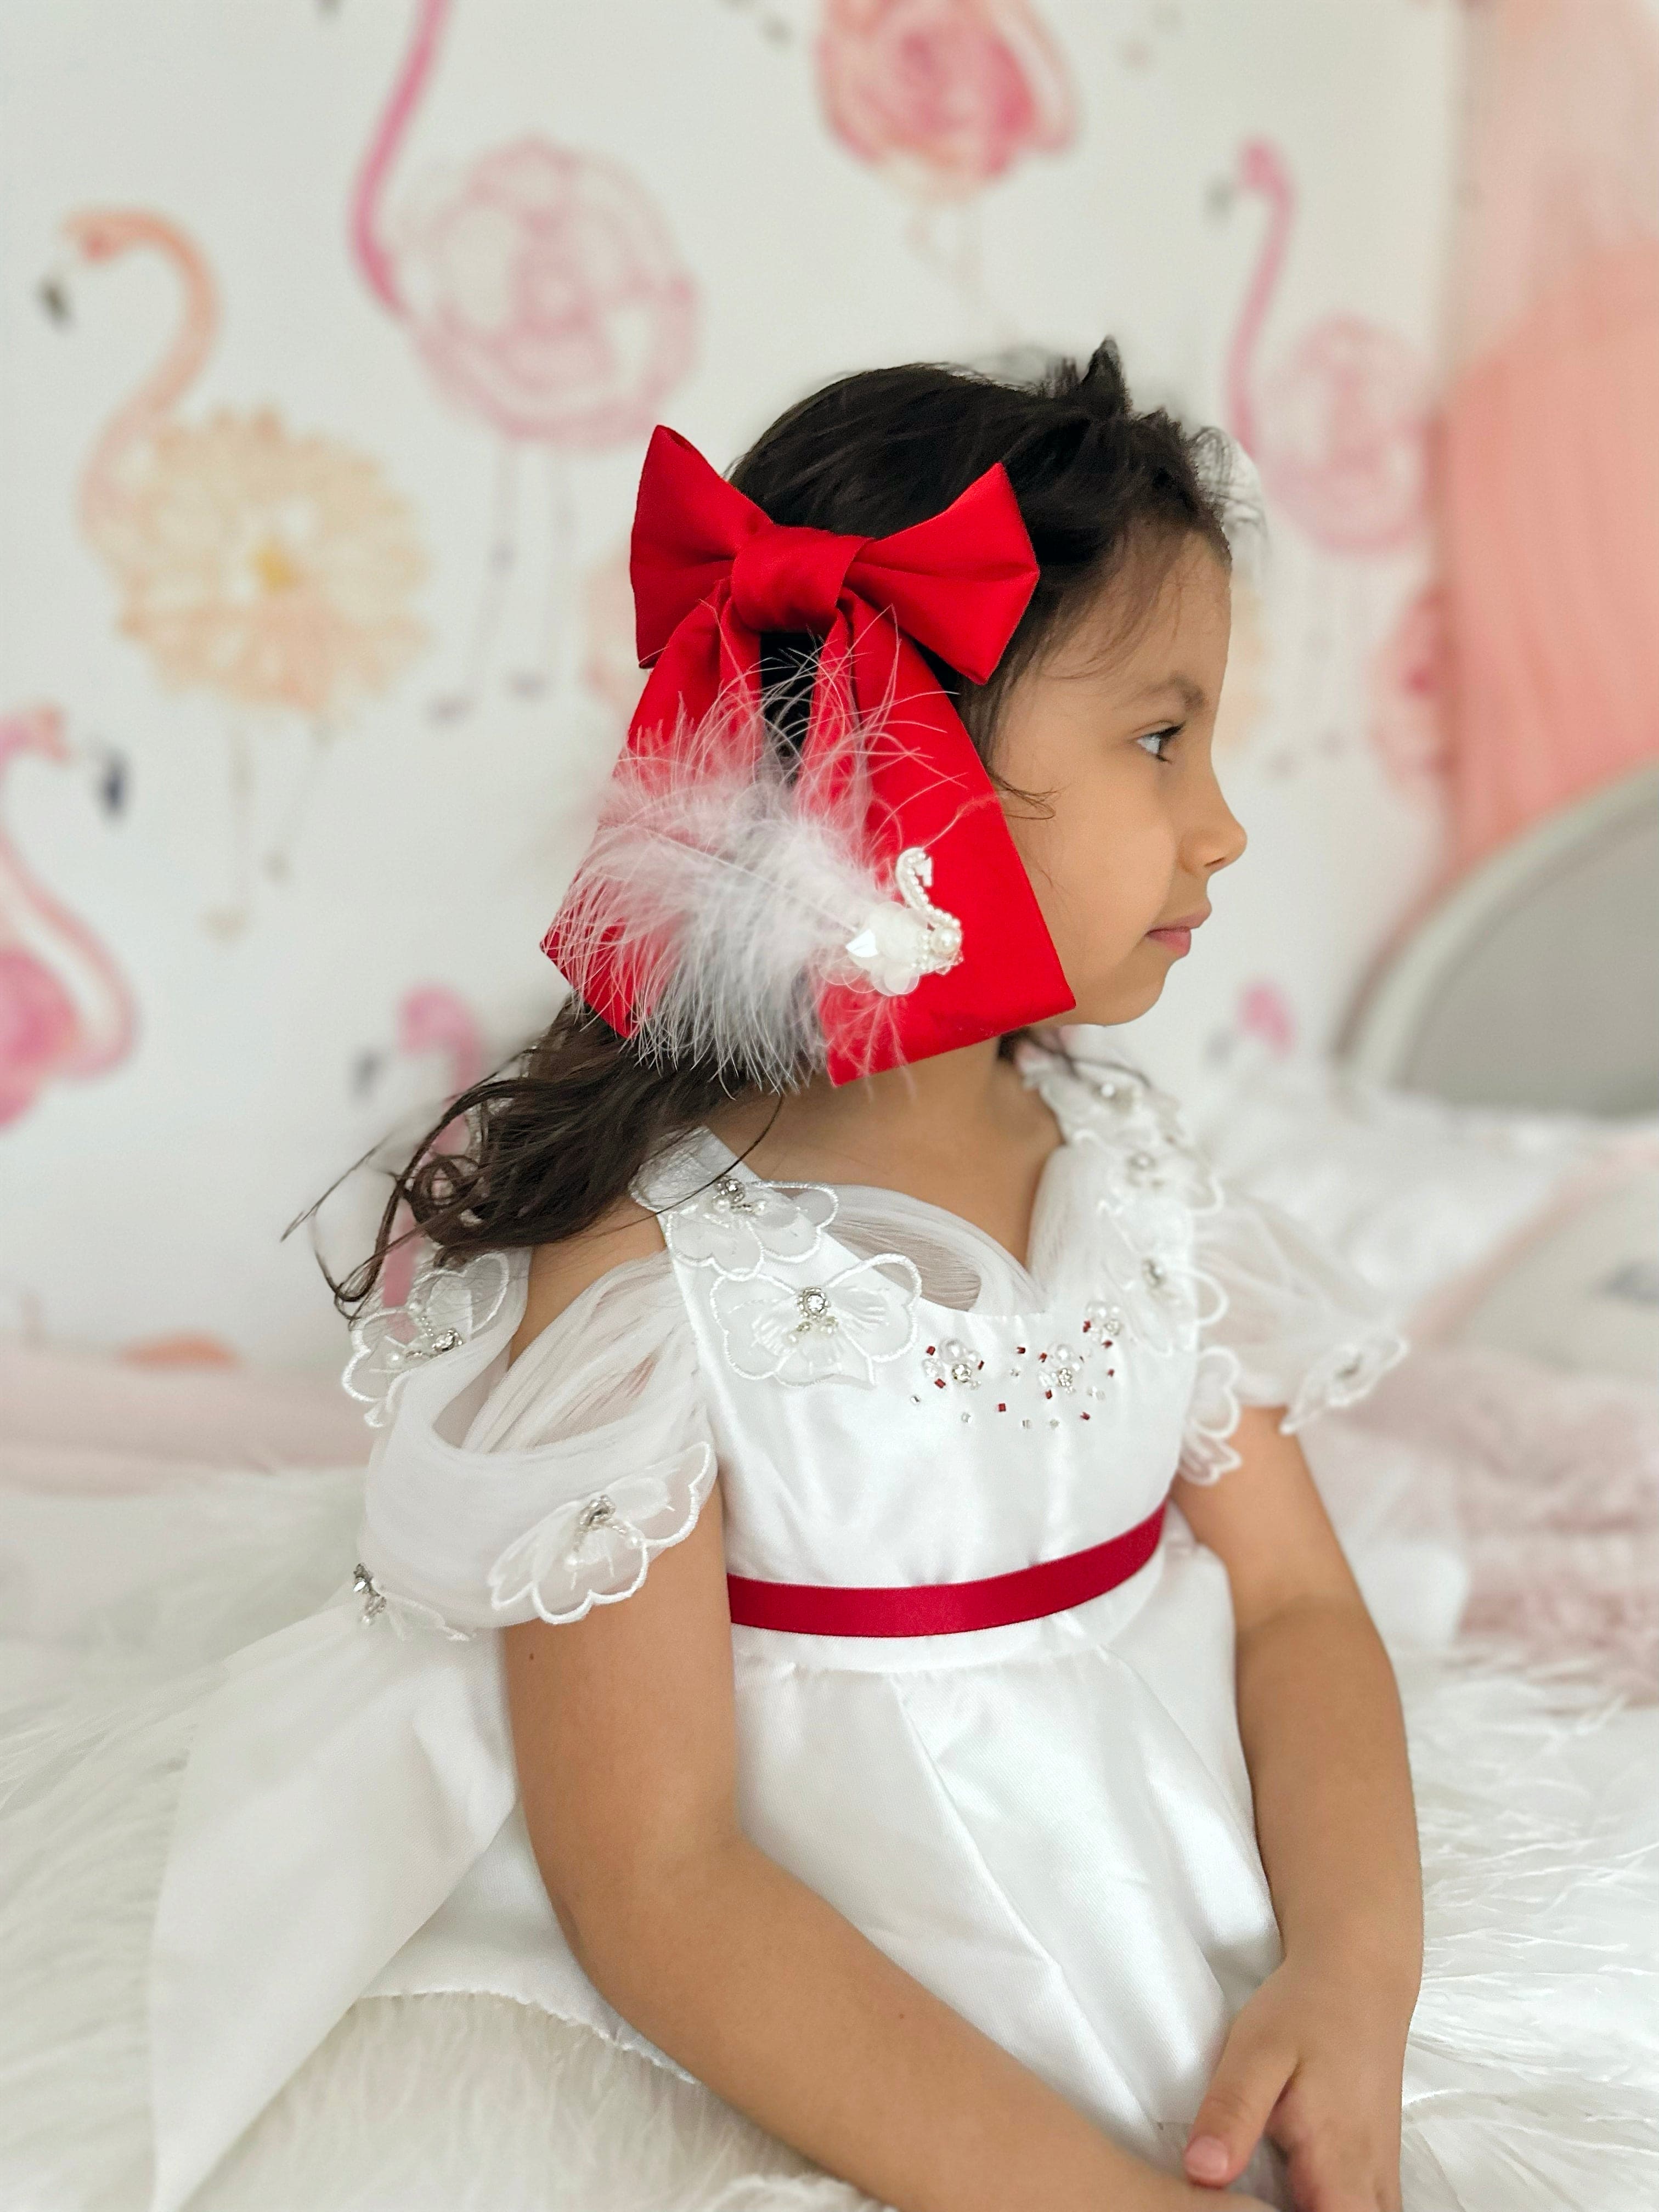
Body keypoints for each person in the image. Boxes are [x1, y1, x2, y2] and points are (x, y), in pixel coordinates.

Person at [2, 345, 1654, 2212]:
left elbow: (1292, 1603)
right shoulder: (651, 1285)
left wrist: (1352, 1974)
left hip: (1150, 1854)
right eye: (1160, 738)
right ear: (899, 770)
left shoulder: (1124, 1174)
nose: (1223, 823)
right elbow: (662, 1884)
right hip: (804, 1978)